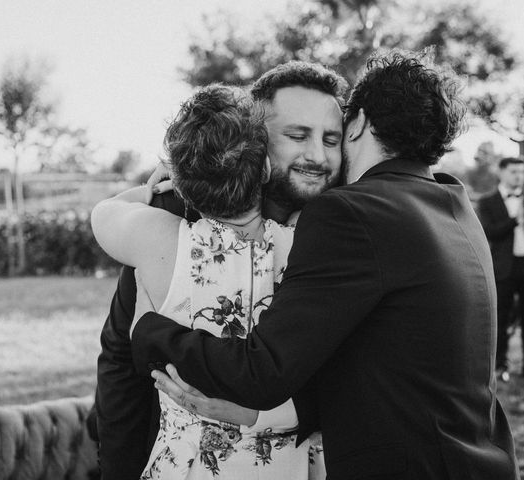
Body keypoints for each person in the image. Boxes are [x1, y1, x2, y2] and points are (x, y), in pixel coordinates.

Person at [130, 50, 520, 479]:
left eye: (333, 135)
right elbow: (378, 365)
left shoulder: (353, 212)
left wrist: (149, 330)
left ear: (361, 122)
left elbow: (263, 372)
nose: (320, 154)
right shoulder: (452, 202)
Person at [92, 60, 348, 480]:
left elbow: (359, 373)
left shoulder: (337, 235)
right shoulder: (173, 217)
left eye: (331, 139)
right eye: (298, 135)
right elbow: (121, 366)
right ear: (262, 149)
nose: (317, 155)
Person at [478, 156, 524, 382]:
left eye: (521, 171)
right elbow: (489, 232)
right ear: (501, 173)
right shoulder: (487, 201)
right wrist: (514, 219)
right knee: (501, 318)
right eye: (513, 171)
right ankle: (500, 366)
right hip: (503, 268)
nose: (518, 176)